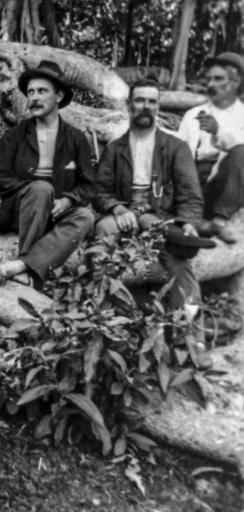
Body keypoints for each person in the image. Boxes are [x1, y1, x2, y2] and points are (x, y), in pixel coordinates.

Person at [93, 78, 211, 368]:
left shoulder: (175, 147)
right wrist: (118, 208)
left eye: (151, 101)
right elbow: (99, 192)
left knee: (181, 262)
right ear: (129, 105)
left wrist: (188, 223)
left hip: (159, 220)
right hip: (123, 217)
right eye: (140, 100)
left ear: (158, 106)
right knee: (102, 236)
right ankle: (101, 326)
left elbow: (190, 195)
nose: (145, 106)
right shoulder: (115, 149)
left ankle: (191, 340)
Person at [0, 60, 95, 288]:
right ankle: (30, 263)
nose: (34, 98)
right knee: (41, 188)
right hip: (20, 213)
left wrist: (68, 200)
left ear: (59, 96)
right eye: (30, 92)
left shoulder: (76, 139)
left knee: (85, 217)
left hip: (56, 215)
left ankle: (23, 265)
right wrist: (37, 191)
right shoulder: (14, 136)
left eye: (42, 91)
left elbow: (88, 185)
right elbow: (0, 179)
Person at [177, 52, 244, 243]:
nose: (211, 85)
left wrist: (217, 131)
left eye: (218, 79)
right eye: (209, 79)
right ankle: (194, 221)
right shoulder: (193, 114)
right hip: (195, 184)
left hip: (227, 184)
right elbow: (178, 155)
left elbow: (239, 151)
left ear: (236, 82)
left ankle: (219, 221)